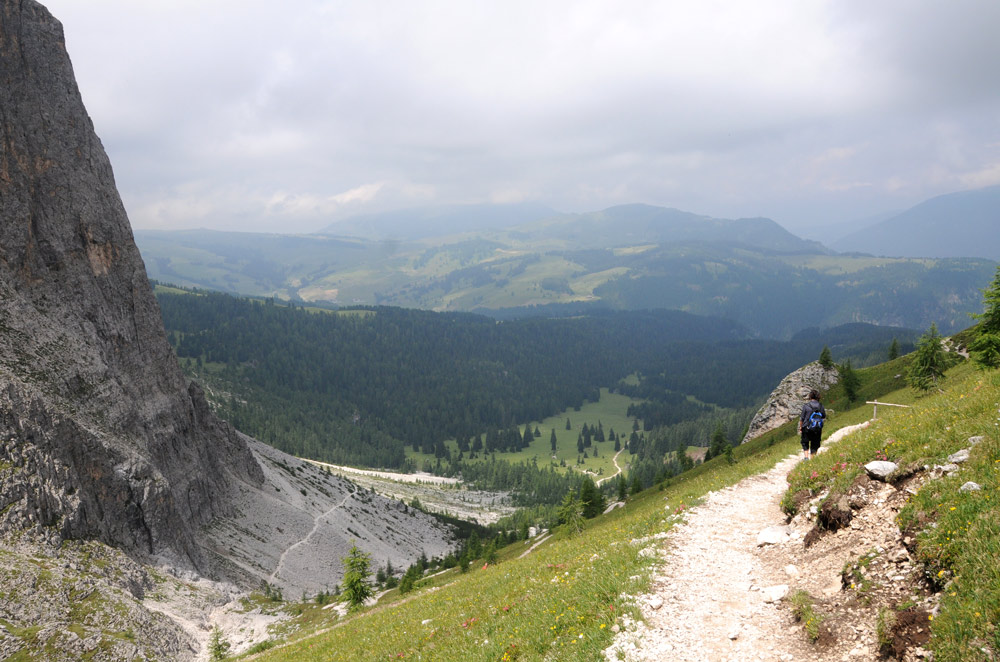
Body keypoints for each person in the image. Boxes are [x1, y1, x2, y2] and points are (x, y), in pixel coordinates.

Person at [798, 389, 825, 460]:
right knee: (815, 443)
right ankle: (813, 458)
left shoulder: (806, 406)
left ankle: (806, 457)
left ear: (810, 396)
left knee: (805, 442)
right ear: (818, 397)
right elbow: (823, 416)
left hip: (806, 427)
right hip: (817, 428)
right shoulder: (821, 406)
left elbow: (802, 419)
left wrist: (801, 427)